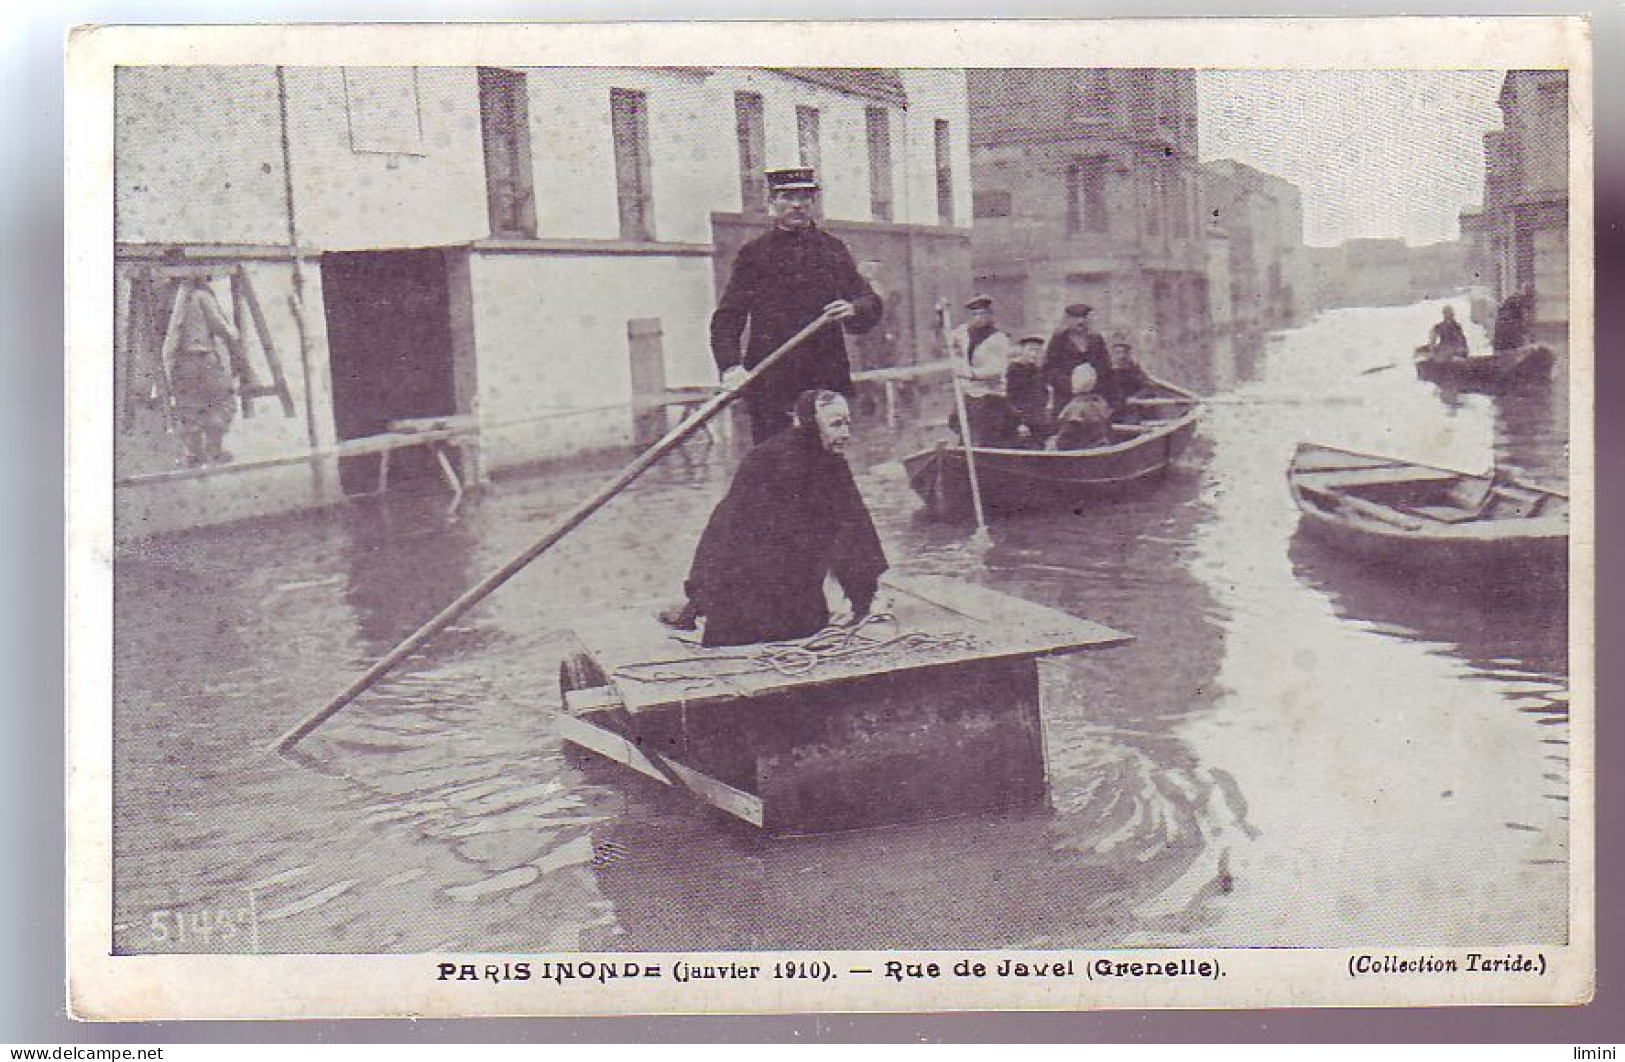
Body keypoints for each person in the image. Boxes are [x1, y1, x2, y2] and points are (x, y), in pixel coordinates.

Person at [659, 389, 888, 648]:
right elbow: (728, 535)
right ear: (811, 424)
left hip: (796, 581)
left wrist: (862, 596)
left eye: (847, 423)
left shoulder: (831, 462)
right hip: (752, 583)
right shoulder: (768, 460)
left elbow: (854, 529)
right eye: (836, 425)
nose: (846, 434)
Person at [710, 167, 884, 443]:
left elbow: (869, 302)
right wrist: (731, 366)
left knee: (824, 465)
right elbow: (728, 317)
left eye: (804, 198)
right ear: (772, 201)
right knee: (775, 467)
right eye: (787, 197)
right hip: (772, 380)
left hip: (824, 379)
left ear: (812, 202)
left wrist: (854, 309)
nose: (796, 205)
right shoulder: (754, 254)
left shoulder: (832, 249)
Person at [168, 274, 241, 466]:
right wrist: (233, 334)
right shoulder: (201, 296)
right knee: (222, 401)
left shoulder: (172, 297)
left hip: (181, 361)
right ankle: (214, 451)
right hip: (204, 357)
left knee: (189, 405)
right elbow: (220, 327)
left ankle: (193, 453)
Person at [947, 295, 1019, 448]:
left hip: (990, 396)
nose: (979, 318)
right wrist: (941, 316)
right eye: (975, 314)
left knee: (986, 438)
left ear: (989, 315)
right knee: (965, 434)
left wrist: (972, 374)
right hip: (969, 395)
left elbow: (997, 370)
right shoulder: (963, 332)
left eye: (983, 314)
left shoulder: (997, 338)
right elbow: (949, 339)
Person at [1043, 302, 1111, 422]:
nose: (1081, 322)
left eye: (1084, 317)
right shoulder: (1059, 340)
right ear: (1068, 320)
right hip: (1066, 398)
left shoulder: (1096, 340)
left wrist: (1092, 384)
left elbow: (1105, 367)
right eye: (1076, 318)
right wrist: (1071, 385)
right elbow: (1049, 369)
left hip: (1093, 398)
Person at [1051, 364, 1114, 451]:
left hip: (1079, 456)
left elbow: (1064, 442)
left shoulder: (1076, 408)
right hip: (1101, 451)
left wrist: (1053, 443)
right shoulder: (1100, 403)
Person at [1006, 334, 1054, 445]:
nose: (1034, 354)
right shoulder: (1014, 370)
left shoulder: (1038, 371)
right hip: (1021, 423)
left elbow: (1043, 396)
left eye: (1038, 351)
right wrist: (1019, 423)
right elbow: (1010, 399)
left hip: (1038, 421)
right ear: (1022, 350)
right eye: (1030, 350)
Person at [1098, 332, 1155, 419]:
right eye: (1118, 353)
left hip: (1131, 411)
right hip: (1112, 411)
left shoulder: (1134, 370)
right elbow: (1101, 393)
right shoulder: (1105, 372)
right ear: (1111, 354)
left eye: (1125, 353)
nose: (1122, 356)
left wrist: (1136, 397)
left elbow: (1148, 387)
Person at [1492, 285, 1532, 352]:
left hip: (1504, 338)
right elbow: (1523, 322)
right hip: (1510, 337)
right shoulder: (1518, 302)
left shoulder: (1511, 301)